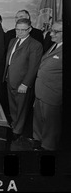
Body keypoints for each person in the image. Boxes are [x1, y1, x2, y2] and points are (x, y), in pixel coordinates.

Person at [3, 18, 43, 141]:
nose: (19, 32)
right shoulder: (13, 41)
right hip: (10, 79)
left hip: (22, 83)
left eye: (23, 30)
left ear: (30, 29)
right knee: (13, 106)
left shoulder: (35, 45)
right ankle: (14, 125)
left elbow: (33, 67)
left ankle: (17, 131)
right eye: (17, 29)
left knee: (21, 108)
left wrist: (25, 84)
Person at [31, 21, 63, 151]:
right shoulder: (54, 45)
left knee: (51, 126)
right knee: (39, 120)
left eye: (56, 31)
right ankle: (37, 142)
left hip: (52, 94)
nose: (51, 33)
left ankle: (47, 148)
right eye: (51, 30)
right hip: (41, 92)